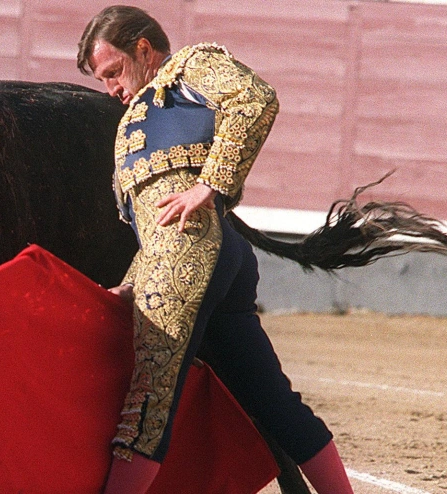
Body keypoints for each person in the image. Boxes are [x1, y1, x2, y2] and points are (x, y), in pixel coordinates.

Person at [77, 6, 354, 494]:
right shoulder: (129, 125)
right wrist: (134, 282)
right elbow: (153, 226)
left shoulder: (188, 68)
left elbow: (256, 98)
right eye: (103, 80)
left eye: (114, 72)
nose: (112, 89)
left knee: (147, 399)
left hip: (194, 253)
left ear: (144, 49)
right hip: (209, 256)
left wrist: (211, 185)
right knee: (271, 399)